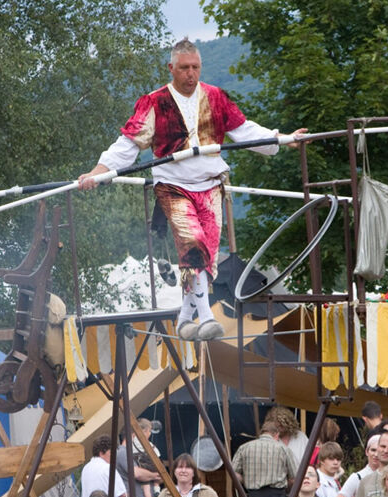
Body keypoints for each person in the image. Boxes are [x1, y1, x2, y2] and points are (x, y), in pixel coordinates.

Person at [79, 38, 305, 342]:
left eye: (195, 67)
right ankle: (206, 317)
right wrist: (98, 173)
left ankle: (185, 318)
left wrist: (281, 138)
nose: (190, 74)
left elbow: (244, 131)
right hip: (173, 187)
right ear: (171, 68)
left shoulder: (216, 97)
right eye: (184, 68)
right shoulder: (154, 102)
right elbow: (128, 145)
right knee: (193, 247)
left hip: (211, 186)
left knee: (206, 260)